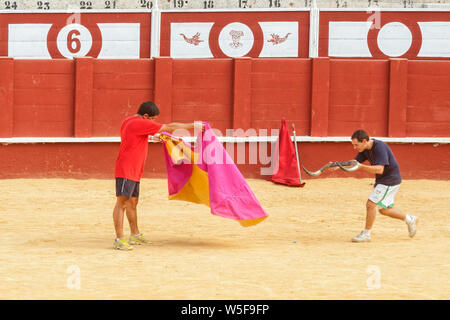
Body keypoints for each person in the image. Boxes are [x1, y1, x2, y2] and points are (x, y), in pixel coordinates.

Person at [113, 101, 203, 250]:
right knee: (121, 203)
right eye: (153, 119)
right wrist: (193, 126)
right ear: (146, 116)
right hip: (126, 169)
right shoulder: (140, 123)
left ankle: (134, 235)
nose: (154, 122)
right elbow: (171, 127)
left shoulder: (129, 120)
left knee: (133, 202)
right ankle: (119, 238)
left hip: (134, 169)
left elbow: (133, 136)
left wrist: (148, 137)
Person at [347, 129, 418, 243]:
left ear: (364, 141)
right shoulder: (364, 148)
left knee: (370, 205)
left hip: (389, 180)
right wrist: (337, 165)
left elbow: (380, 169)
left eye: (356, 145)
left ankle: (366, 234)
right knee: (384, 210)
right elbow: (353, 163)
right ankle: (410, 219)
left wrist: (361, 167)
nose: (355, 147)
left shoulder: (379, 147)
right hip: (384, 180)